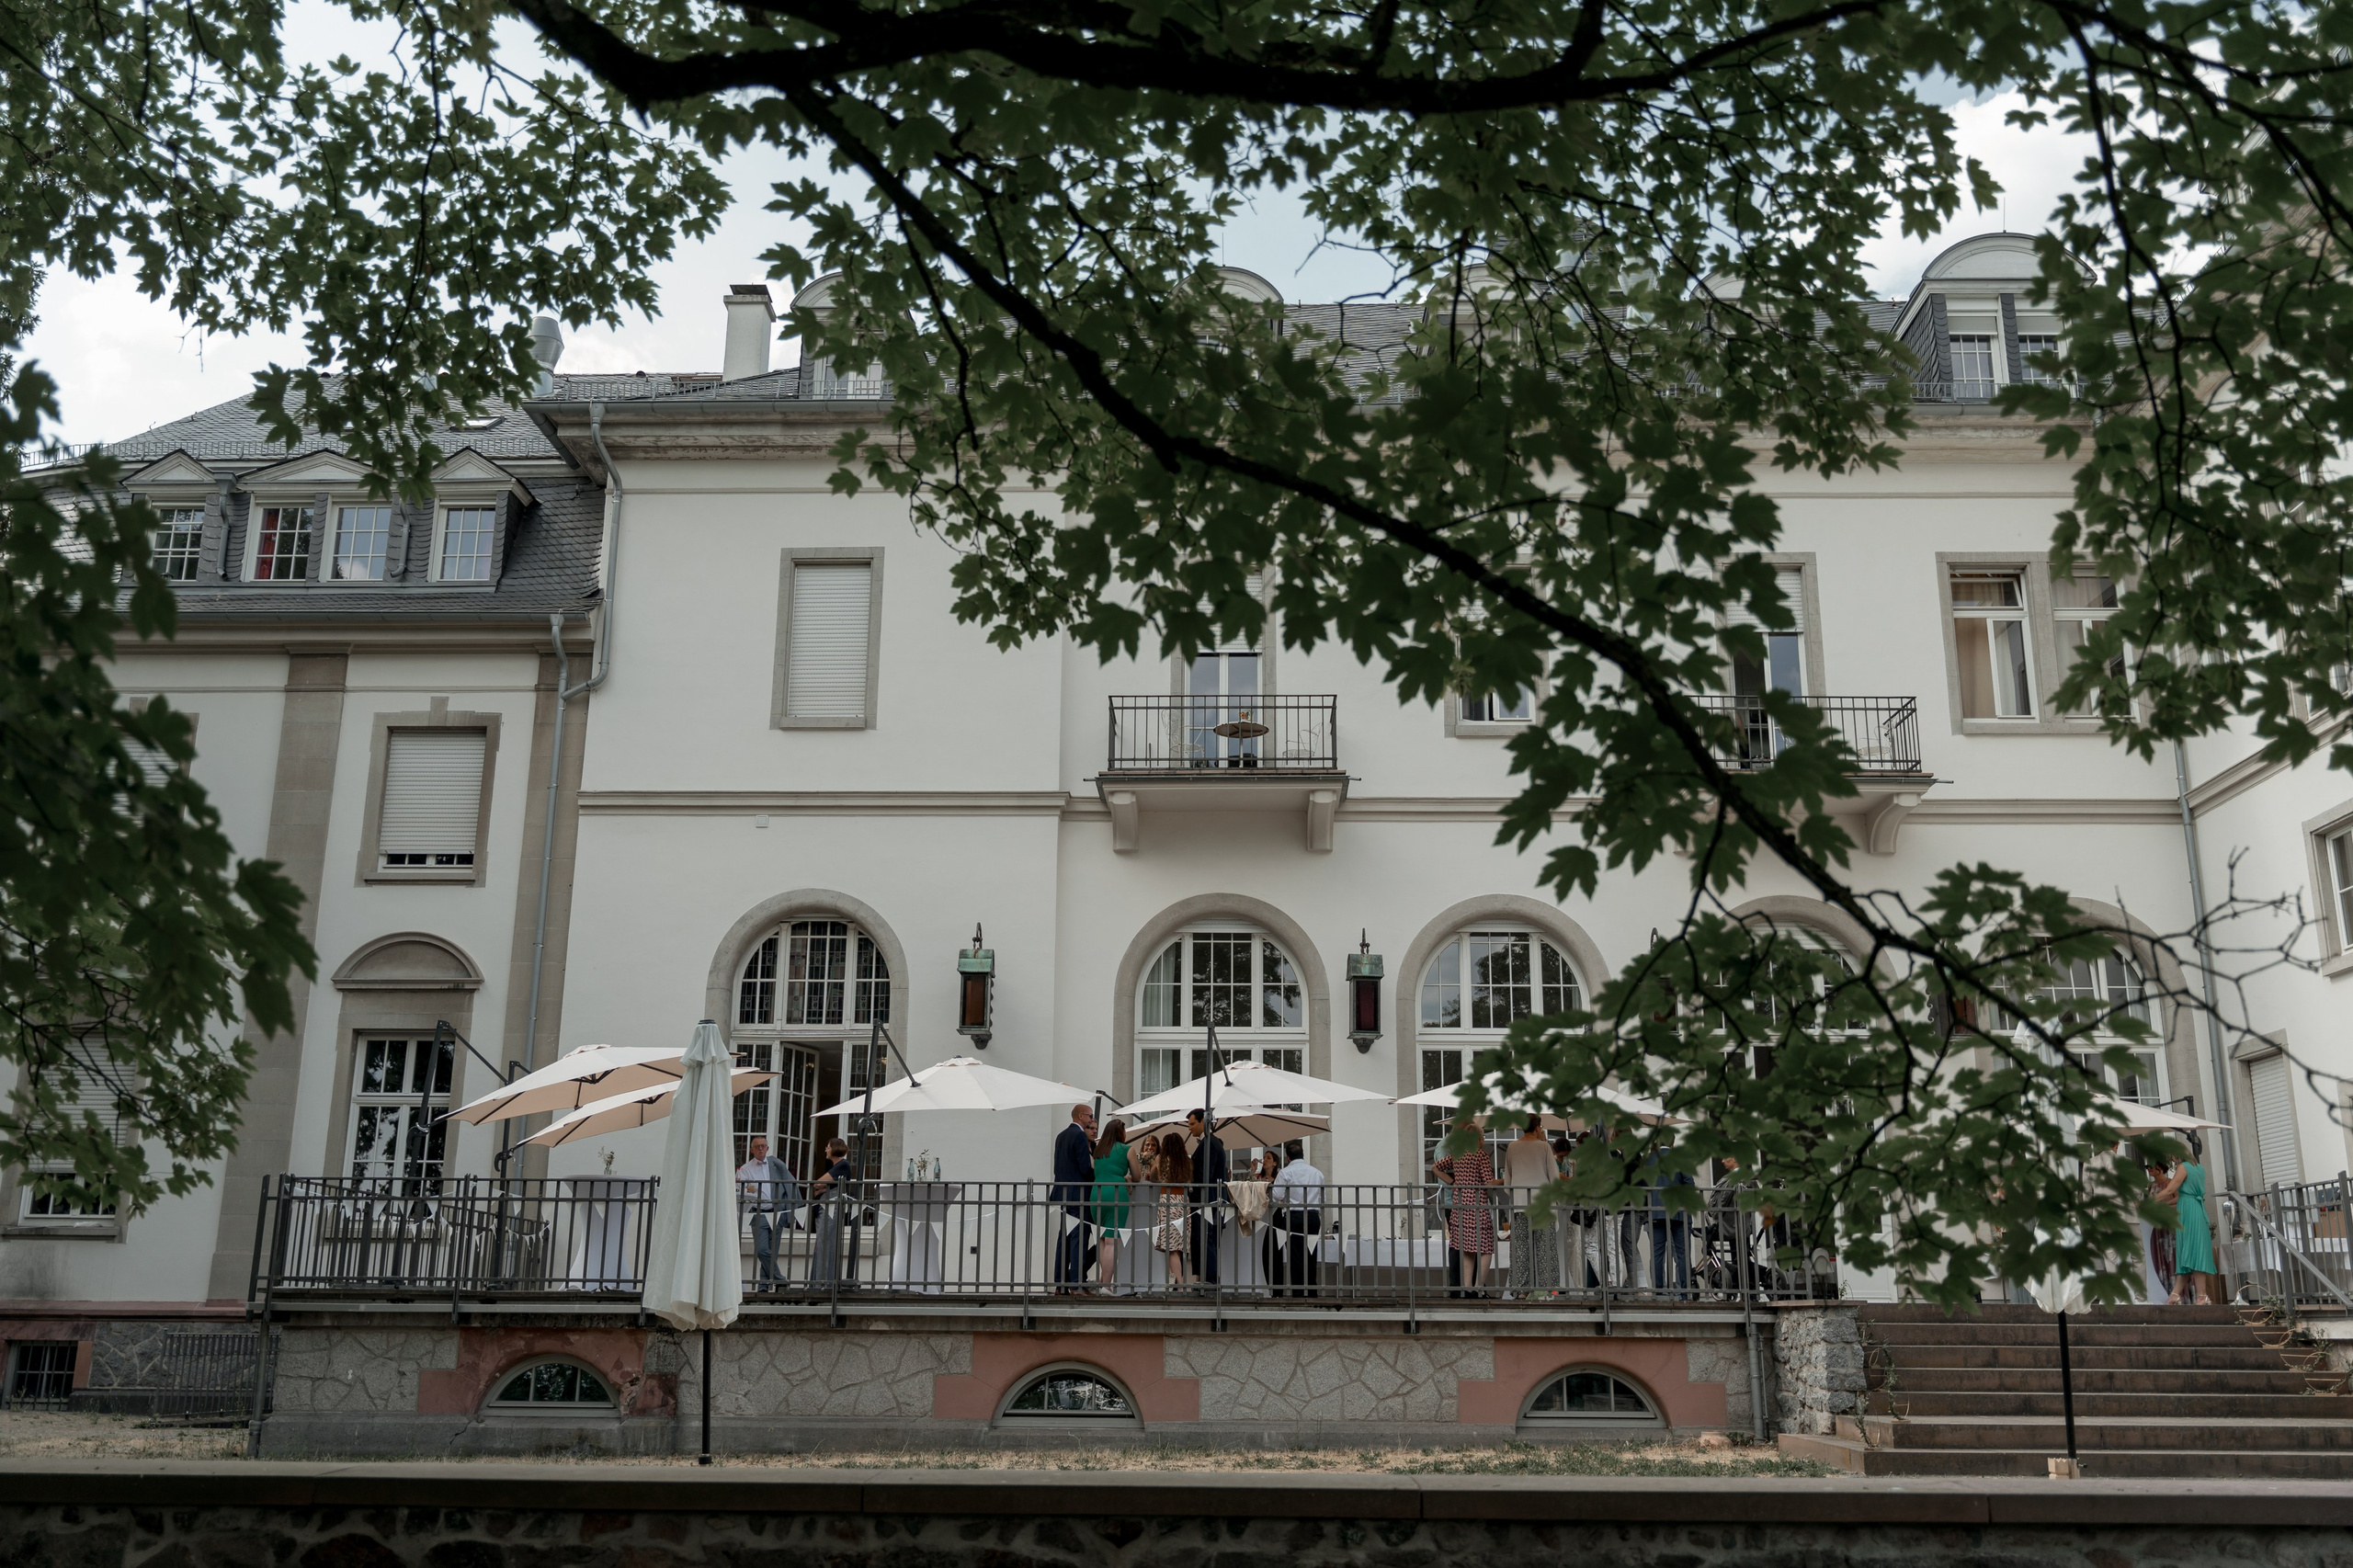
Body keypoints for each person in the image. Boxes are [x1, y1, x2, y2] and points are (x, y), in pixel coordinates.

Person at [1432, 1120, 1496, 1294]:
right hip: (1478, 1206)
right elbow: (1489, 1183)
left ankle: (1467, 1288)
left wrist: (1452, 1182)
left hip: (1460, 1206)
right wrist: (1505, 1180)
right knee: (1485, 1248)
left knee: (1467, 1248)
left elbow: (1435, 1167)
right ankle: (1478, 1288)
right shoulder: (1481, 1155)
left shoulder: (1458, 1154)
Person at [2157, 1134, 2220, 1305]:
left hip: (2188, 1213)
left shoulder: (2183, 1167)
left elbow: (2170, 1189)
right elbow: (2186, 1194)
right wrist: (2167, 1204)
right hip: (2195, 1209)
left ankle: (2200, 1296)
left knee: (2190, 1251)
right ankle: (2179, 1295)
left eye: (2172, 1158)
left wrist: (2149, 1202)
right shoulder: (2199, 1167)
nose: (2172, 1162)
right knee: (2192, 1251)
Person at [735, 1135, 804, 1291]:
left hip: (777, 1213)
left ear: (767, 1148)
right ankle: (780, 1280)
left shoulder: (775, 1165)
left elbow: (787, 1180)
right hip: (758, 1213)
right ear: (752, 1150)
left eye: (763, 1145)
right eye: (757, 1146)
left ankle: (763, 1286)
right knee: (761, 1250)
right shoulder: (746, 1169)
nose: (760, 1148)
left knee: (772, 1252)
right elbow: (745, 1189)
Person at [1502, 1115, 1561, 1294]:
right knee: (1545, 1251)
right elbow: (1554, 1177)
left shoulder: (1512, 1147)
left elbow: (1508, 1181)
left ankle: (1521, 1290)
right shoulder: (1544, 1147)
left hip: (1520, 1204)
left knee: (1520, 1249)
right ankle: (1548, 1291)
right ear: (1537, 1128)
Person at [1051, 1103, 1098, 1293]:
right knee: (1079, 1237)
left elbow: (1058, 1167)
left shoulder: (1061, 1136)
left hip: (1062, 1193)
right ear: (1081, 1116)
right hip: (1078, 1193)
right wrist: (1097, 1177)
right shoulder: (1079, 1135)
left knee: (1064, 1237)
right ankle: (1076, 1283)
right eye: (1090, 1116)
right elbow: (1084, 1168)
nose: (1091, 1120)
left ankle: (1059, 1283)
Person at [1270, 1140, 1324, 1297]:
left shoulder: (1285, 1173)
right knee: (1311, 1253)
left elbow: (1276, 1196)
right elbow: (1323, 1199)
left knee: (1295, 1255)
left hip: (1294, 1216)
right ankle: (1312, 1291)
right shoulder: (1317, 1173)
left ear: (1288, 1158)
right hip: (1313, 1216)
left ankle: (1299, 1292)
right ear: (1303, 1155)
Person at [1184, 1108, 1231, 1284]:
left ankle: (1209, 1283)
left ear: (1203, 1122)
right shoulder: (1210, 1143)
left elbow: (1206, 1176)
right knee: (1205, 1240)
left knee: (1206, 1239)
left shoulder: (1209, 1144)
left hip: (1208, 1201)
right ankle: (1206, 1281)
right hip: (1211, 1200)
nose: (1190, 1128)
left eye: (1192, 1124)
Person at [1147, 1134, 1193, 1287]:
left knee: (1171, 1248)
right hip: (1184, 1202)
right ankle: (1173, 1281)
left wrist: (1155, 1162)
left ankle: (1180, 1284)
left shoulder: (1163, 1159)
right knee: (1178, 1246)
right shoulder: (1186, 1161)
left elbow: (1153, 1178)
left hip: (1168, 1201)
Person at [1092, 1117, 1131, 1290]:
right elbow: (1137, 1176)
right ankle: (1107, 1286)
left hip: (1097, 1193)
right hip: (1116, 1193)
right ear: (1120, 1132)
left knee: (1101, 1239)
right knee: (1111, 1241)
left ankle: (1103, 1280)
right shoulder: (1127, 1149)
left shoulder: (1098, 1150)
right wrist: (1126, 1177)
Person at [809, 1136, 853, 1284]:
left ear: (835, 1148)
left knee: (825, 1242)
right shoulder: (835, 1167)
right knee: (823, 1242)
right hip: (825, 1205)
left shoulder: (842, 1165)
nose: (826, 1149)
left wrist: (821, 1187)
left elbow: (818, 1183)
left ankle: (824, 1282)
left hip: (831, 1207)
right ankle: (821, 1280)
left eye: (828, 1146)